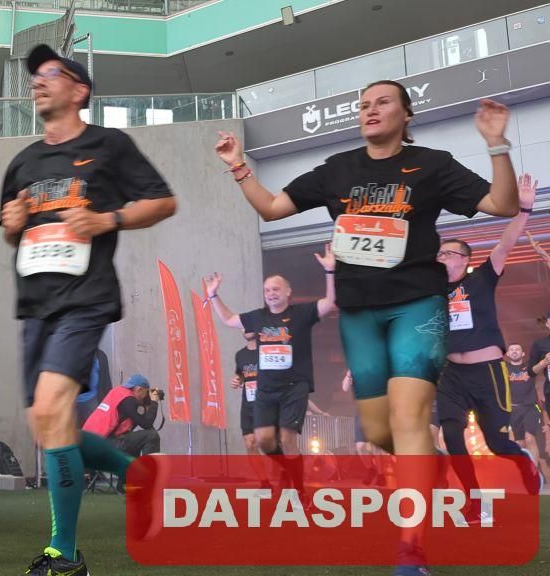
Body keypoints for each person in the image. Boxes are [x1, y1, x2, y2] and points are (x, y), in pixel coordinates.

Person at [214, 79, 520, 575]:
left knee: (409, 417)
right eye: (363, 105)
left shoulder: (433, 165)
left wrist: (496, 144)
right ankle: (430, 465)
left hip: (418, 305)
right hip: (360, 313)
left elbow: (502, 205)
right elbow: (271, 208)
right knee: (378, 429)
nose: (369, 110)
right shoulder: (338, 169)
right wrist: (237, 165)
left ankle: (411, 551)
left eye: (382, 102)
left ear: (406, 114)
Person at [0, 44, 176, 576]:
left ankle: (65, 555)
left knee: (52, 407)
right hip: (35, 305)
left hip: (85, 298)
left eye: (50, 73)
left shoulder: (109, 145)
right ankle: (135, 475)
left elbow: (163, 201)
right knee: (49, 425)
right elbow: (12, 230)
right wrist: (12, 225)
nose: (37, 81)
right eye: (34, 77)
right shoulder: (22, 162)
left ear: (80, 90)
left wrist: (106, 220)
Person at [435, 171, 543, 519]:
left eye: (448, 253)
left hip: (487, 373)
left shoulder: (482, 278)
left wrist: (524, 210)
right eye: (439, 253)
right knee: (452, 436)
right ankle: (474, 500)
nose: (441, 257)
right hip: (451, 375)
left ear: (464, 259)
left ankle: (524, 464)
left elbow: (505, 244)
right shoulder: (432, 293)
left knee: (496, 442)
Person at [203, 247, 336, 505]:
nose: (271, 293)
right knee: (264, 441)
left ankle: (299, 489)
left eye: (276, 289)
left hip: (294, 386)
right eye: (267, 290)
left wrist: (329, 271)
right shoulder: (258, 317)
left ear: (287, 292)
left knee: (287, 438)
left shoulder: (301, 313)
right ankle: (290, 470)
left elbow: (329, 303)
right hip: (265, 389)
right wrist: (213, 295)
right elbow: (229, 319)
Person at [82, 374, 162, 457]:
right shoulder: (128, 400)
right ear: (139, 389)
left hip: (89, 442)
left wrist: (147, 404)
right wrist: (154, 402)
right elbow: (146, 424)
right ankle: (149, 465)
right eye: (146, 392)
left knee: (134, 440)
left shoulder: (117, 392)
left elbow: (138, 418)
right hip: (102, 444)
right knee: (152, 436)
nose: (146, 396)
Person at [231, 333, 272, 489]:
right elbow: (241, 375)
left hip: (267, 404)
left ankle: (290, 477)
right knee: (250, 443)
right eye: (243, 326)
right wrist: (237, 380)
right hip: (248, 405)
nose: (245, 329)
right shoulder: (240, 355)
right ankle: (265, 483)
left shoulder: (267, 350)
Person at [505, 343, 550, 478]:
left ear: (523, 353)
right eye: (511, 350)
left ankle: (534, 472)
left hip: (531, 407)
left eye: (517, 349)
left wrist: (545, 360)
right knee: (520, 442)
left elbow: (540, 366)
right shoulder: (503, 368)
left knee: (530, 438)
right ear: (508, 354)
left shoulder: (530, 366)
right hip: (514, 409)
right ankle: (524, 471)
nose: (514, 351)